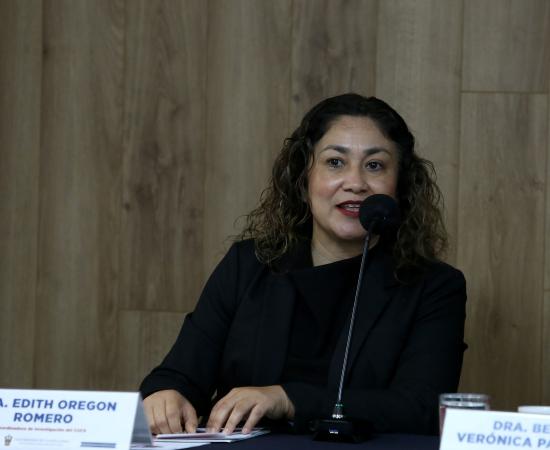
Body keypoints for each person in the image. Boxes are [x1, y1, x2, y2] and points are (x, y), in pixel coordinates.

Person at [139, 93, 467, 436]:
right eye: (335, 162)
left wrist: (289, 398)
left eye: (374, 165)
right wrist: (165, 394)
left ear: (400, 186)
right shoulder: (248, 265)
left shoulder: (434, 286)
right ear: (304, 177)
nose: (355, 183)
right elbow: (178, 375)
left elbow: (421, 409)